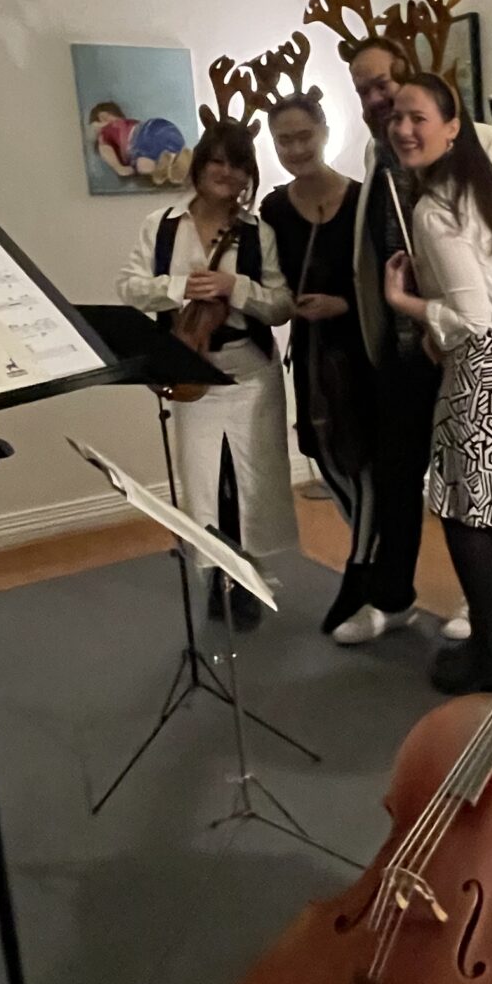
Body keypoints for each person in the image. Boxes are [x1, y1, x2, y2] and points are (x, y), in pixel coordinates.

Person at [335, 40, 492, 648]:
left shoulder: (480, 141)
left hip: (464, 343)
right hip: (408, 349)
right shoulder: (378, 153)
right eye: (364, 90)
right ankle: (395, 599)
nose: (377, 100)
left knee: (482, 494)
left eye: (383, 83)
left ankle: (485, 613)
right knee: (398, 476)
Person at [382, 72, 492, 693]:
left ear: (453, 128)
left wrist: (404, 302)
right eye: (397, 117)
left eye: (418, 118)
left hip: (482, 366)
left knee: (463, 511)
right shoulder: (483, 182)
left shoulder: (434, 210)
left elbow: (470, 319)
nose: (403, 129)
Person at [118, 118, 292, 628]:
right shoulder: (162, 225)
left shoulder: (258, 233)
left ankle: (247, 578)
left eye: (239, 165)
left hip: (249, 371)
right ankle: (217, 574)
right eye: (218, 161)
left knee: (249, 481)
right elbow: (129, 286)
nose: (227, 173)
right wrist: (179, 288)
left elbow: (280, 305)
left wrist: (235, 287)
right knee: (204, 483)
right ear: (199, 166)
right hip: (190, 366)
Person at [259, 93, 376, 632]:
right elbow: (271, 282)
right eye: (284, 140)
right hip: (311, 355)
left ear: (325, 131)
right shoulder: (274, 209)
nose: (296, 148)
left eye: (304, 136)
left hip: (364, 352)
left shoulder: (364, 200)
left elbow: (391, 277)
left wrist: (343, 305)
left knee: (367, 469)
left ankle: (365, 585)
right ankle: (381, 577)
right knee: (328, 461)